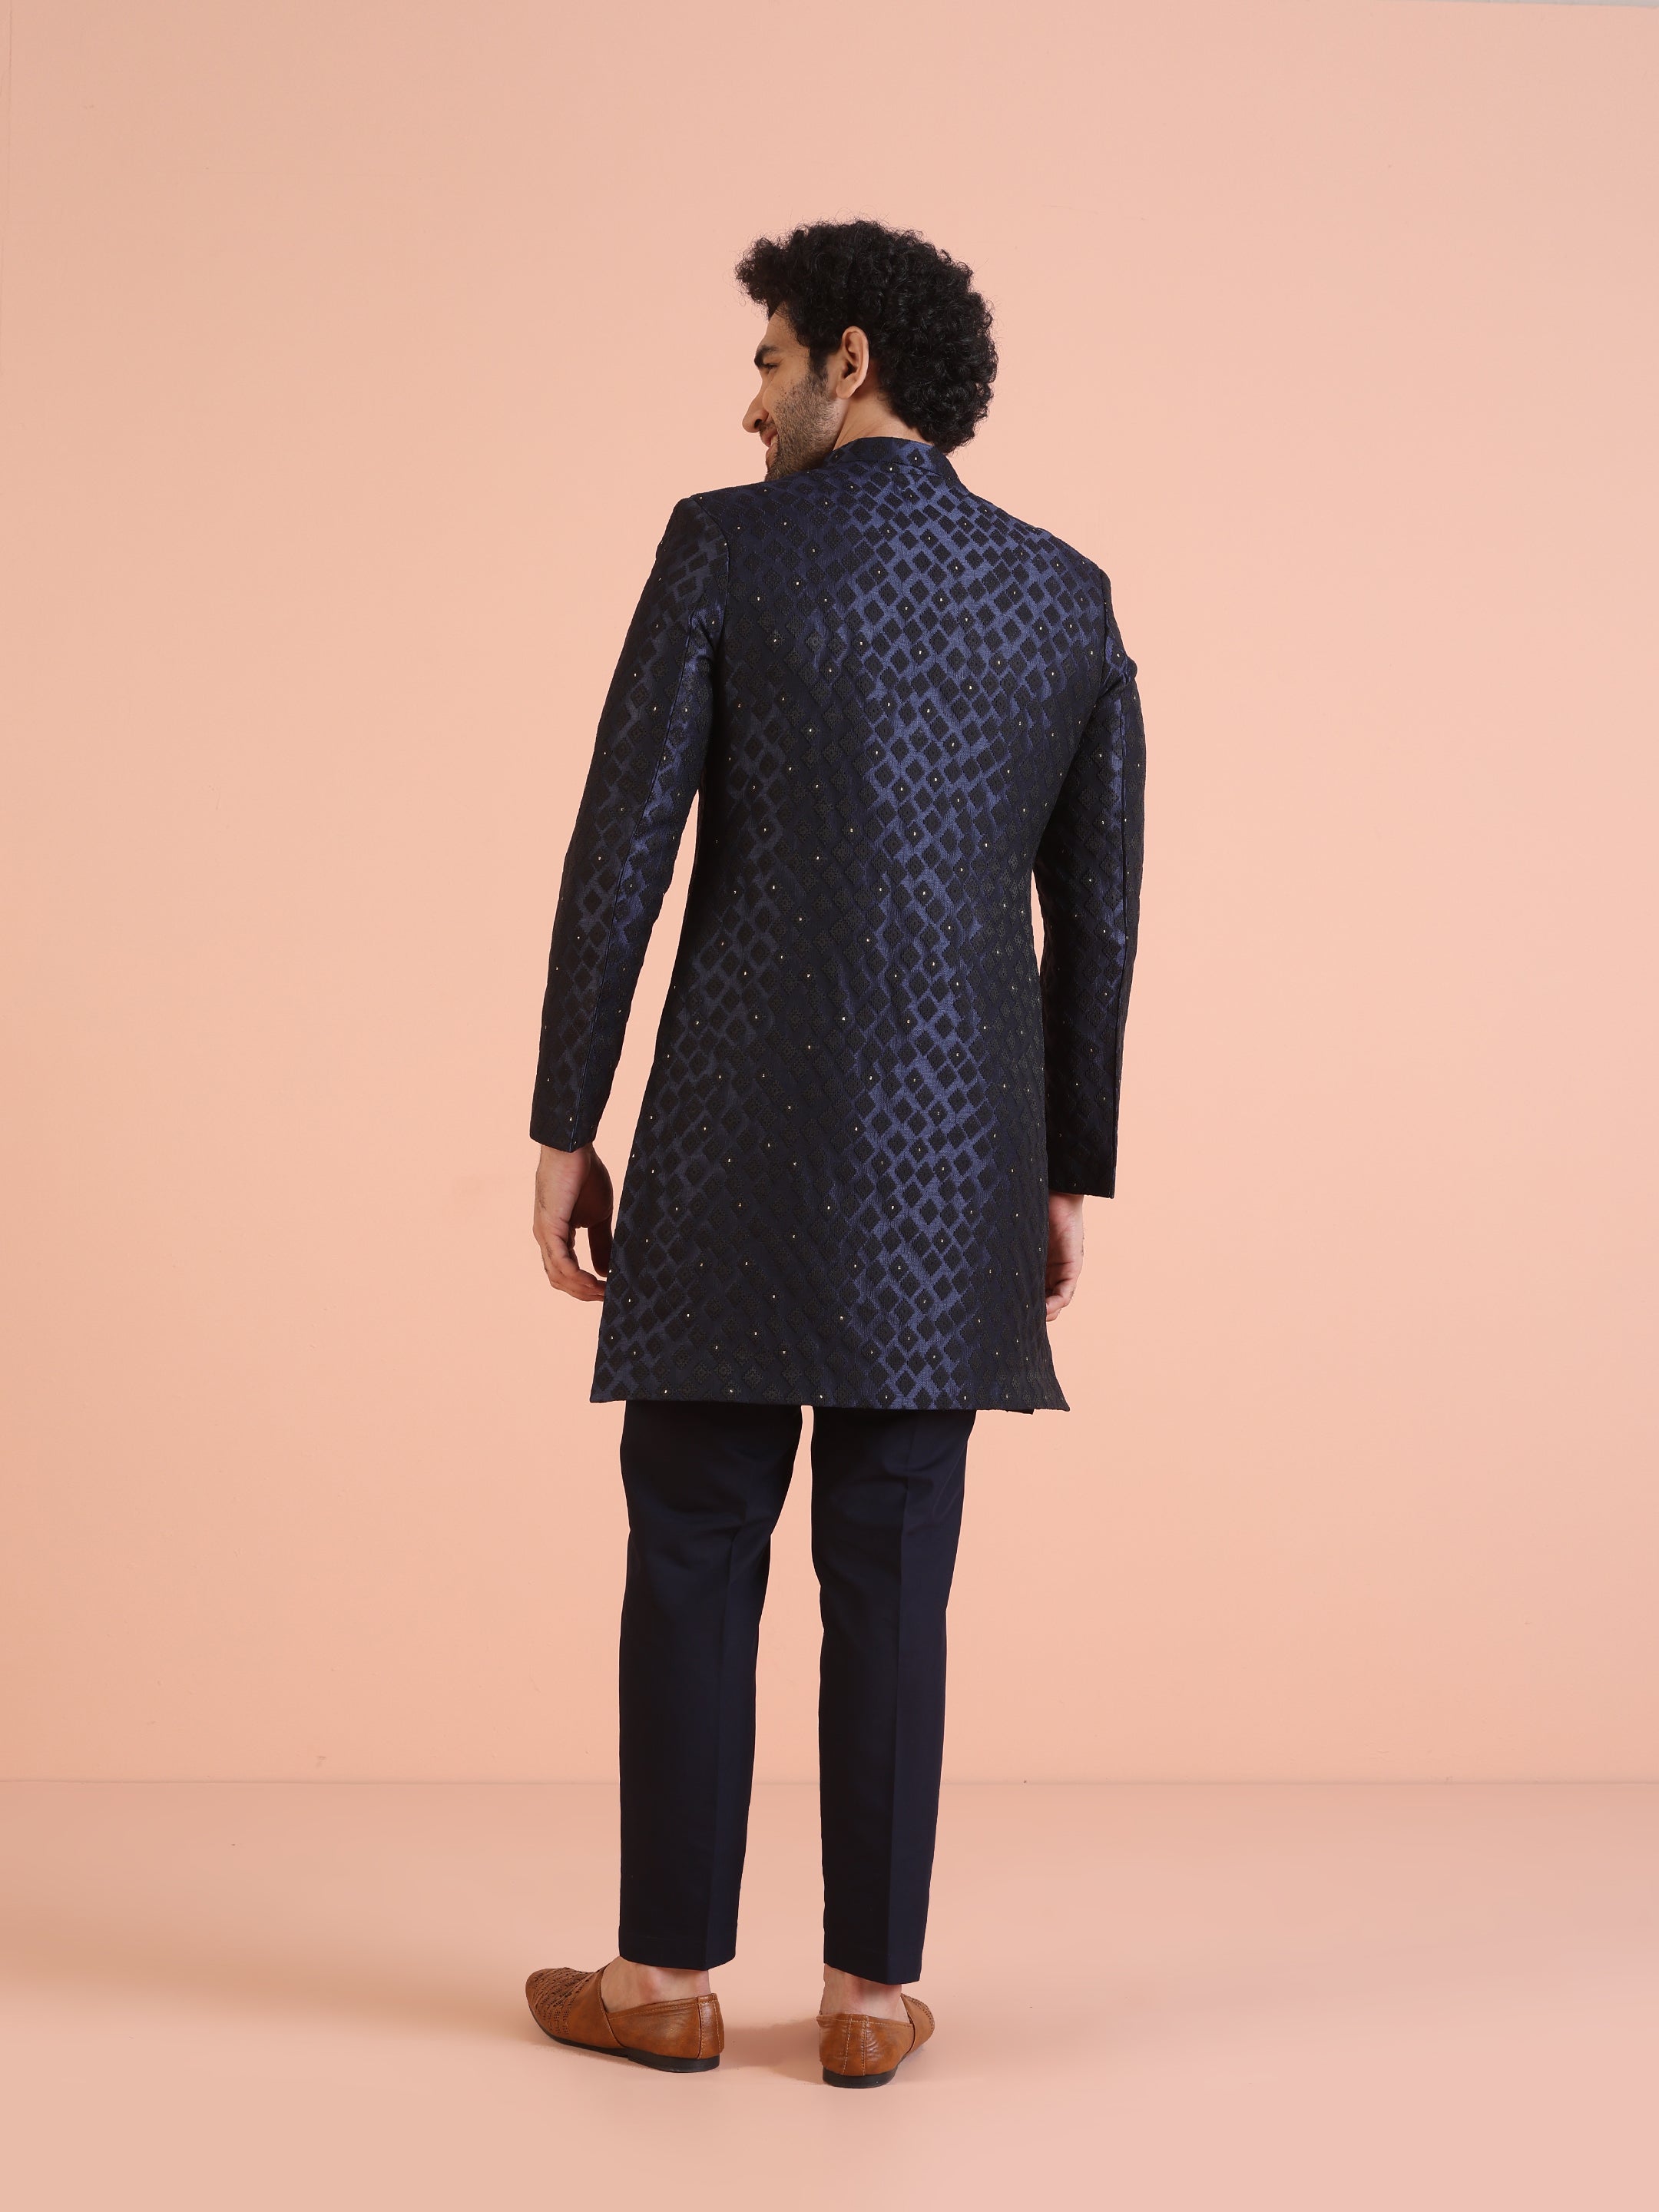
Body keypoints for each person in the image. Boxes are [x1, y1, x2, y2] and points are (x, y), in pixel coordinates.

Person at [523, 218, 1146, 2087]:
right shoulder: (1066, 596)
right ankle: (870, 2001)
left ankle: (663, 1981)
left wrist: (566, 1119)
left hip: (735, 1131)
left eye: (771, 361)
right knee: (894, 1562)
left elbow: (621, 851)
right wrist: (1064, 1168)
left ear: (850, 361)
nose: (752, 402)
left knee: (696, 1537)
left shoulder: (727, 546)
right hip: (958, 1156)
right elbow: (1100, 920)